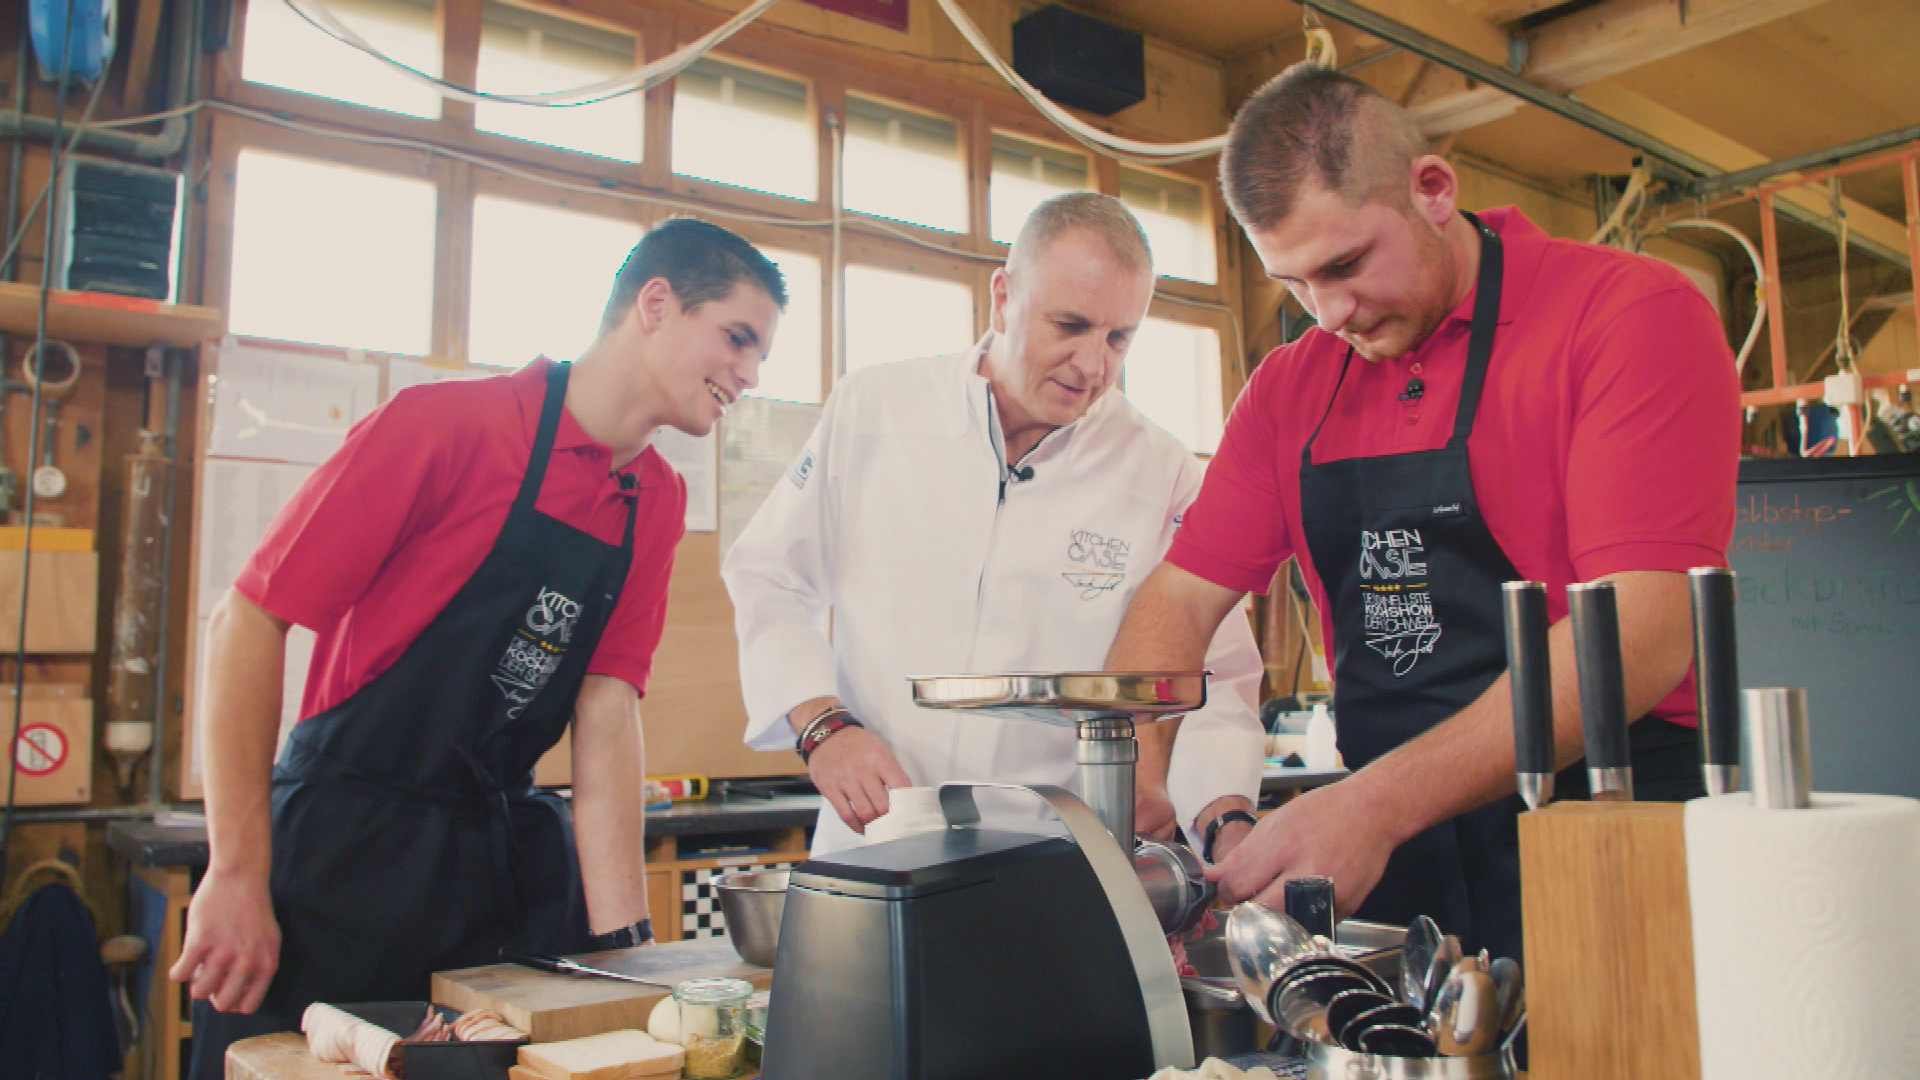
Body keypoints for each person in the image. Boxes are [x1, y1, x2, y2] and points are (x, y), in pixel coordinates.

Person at [1105, 64, 1740, 962]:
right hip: (1396, 863)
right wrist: (1133, 784)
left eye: (1347, 264)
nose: (1328, 314)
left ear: (1432, 191)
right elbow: (1178, 599)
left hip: (1606, 828)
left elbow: (1637, 636)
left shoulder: (1626, 315)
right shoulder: (1291, 388)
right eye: (1294, 284)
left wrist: (1372, 804)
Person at [175, 218, 786, 1078]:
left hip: (496, 871)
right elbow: (245, 620)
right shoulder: (449, 427)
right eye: (738, 338)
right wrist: (236, 872)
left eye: (761, 356)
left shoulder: (656, 499)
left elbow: (606, 712)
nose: (751, 375)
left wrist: (627, 952)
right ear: (656, 304)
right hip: (342, 858)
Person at [723, 192, 1264, 858]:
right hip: (876, 840)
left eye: (1119, 338)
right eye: (1070, 325)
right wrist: (822, 727)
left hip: (1057, 859)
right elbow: (769, 574)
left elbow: (1218, 672)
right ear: (1003, 296)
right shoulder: (876, 409)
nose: (1094, 366)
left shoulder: (1161, 470)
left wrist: (1218, 814)